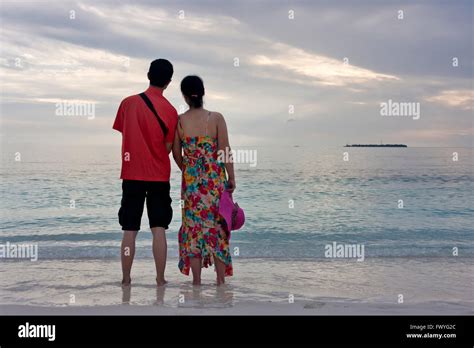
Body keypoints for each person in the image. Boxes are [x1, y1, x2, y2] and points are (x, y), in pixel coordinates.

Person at [113, 59, 178, 287]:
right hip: (159, 175)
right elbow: (168, 148)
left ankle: (126, 279)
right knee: (158, 228)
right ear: (169, 82)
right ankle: (160, 279)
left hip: (132, 174)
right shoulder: (171, 111)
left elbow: (124, 132)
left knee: (129, 229)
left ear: (148, 74)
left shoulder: (128, 103)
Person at [172, 75, 235, 286]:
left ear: (184, 96)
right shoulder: (216, 118)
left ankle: (197, 282)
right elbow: (225, 151)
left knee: (193, 229)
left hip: (191, 187)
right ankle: (219, 281)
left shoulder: (180, 121)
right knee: (217, 230)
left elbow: (175, 153)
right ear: (203, 92)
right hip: (215, 184)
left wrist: (189, 171)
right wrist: (231, 178)